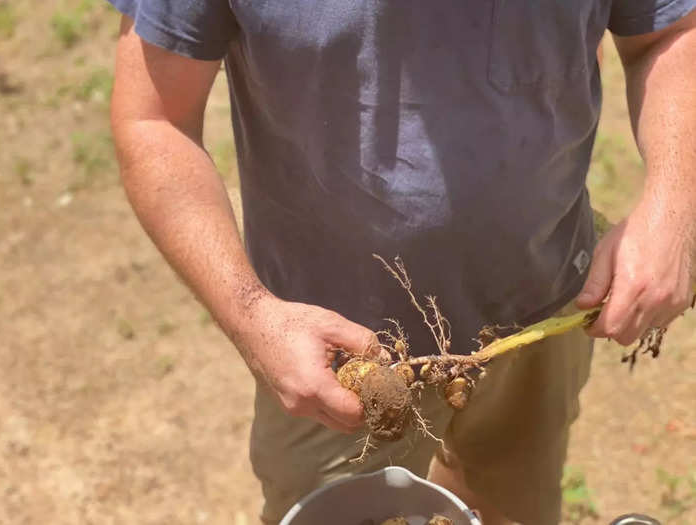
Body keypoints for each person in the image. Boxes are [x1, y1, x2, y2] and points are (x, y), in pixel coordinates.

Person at [107, 2, 696, 524]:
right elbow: (155, 120)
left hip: (547, 303)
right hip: (335, 358)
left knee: (510, 503)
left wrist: (674, 206)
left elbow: (670, 34)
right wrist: (253, 315)